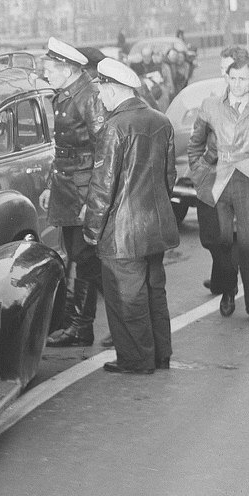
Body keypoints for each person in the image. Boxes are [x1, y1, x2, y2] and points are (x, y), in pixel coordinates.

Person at [84, 57, 179, 373]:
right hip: (156, 226)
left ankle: (137, 360)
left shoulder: (114, 127)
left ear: (112, 89)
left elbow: (102, 188)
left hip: (122, 232)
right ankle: (161, 354)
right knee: (155, 293)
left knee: (127, 299)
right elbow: (169, 178)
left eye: (101, 90)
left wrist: (91, 230)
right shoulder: (161, 121)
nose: (100, 97)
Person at [187, 46, 249, 324]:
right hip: (218, 176)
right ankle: (228, 288)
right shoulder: (210, 104)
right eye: (230, 76)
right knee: (219, 240)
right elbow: (195, 143)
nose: (234, 82)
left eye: (240, 77)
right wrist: (199, 172)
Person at [41, 37, 106, 347]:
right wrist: (50, 186)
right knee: (80, 256)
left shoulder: (88, 96)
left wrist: (92, 199)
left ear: (66, 68)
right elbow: (65, 148)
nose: (45, 75)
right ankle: (81, 324)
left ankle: (95, 323)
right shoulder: (69, 93)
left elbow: (104, 151)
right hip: (69, 188)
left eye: (49, 70)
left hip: (82, 191)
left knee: (87, 258)